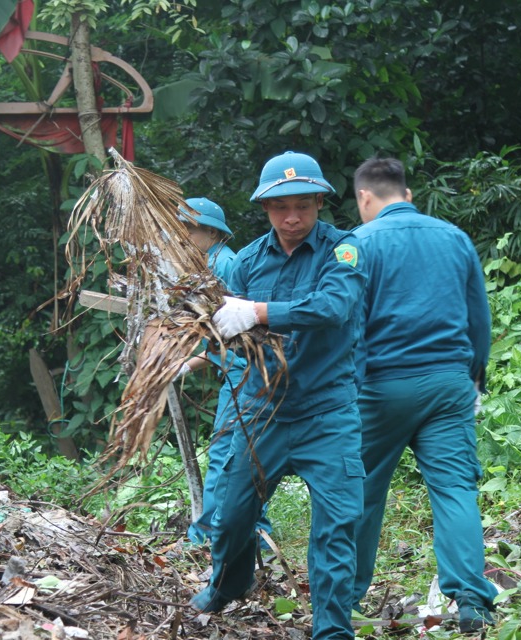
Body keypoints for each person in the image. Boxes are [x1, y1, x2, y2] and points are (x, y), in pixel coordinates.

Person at [193, 151, 367, 640]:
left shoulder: (344, 251)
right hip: (261, 411)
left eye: (304, 206)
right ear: (266, 210)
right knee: (231, 517)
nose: (293, 218)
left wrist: (259, 312)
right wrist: (212, 324)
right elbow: (223, 330)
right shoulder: (246, 262)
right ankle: (229, 583)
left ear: (319, 203)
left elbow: (334, 307)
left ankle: (332, 629)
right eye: (280, 207)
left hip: (327, 412)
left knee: (336, 527)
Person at [349, 157, 498, 633]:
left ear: (364, 198)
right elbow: (479, 319)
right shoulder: (454, 237)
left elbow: (347, 325)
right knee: (455, 489)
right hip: (449, 385)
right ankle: (472, 600)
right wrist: (474, 379)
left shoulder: (358, 242)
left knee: (362, 491)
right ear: (408, 195)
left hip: (381, 387)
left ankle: (343, 598)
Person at [174, 198, 272, 547]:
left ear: (212, 232)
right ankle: (255, 532)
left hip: (246, 374)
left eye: (189, 229)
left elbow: (238, 332)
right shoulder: (205, 267)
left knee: (225, 453)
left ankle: (205, 537)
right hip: (237, 373)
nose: (182, 236)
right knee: (240, 454)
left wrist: (189, 362)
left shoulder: (227, 266)